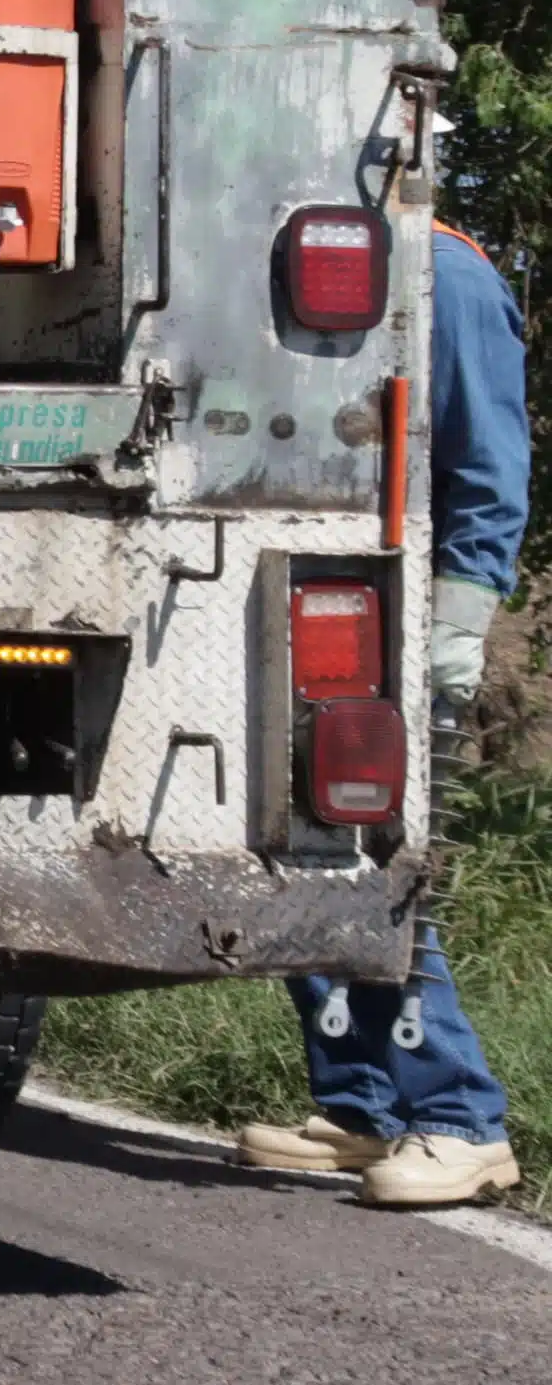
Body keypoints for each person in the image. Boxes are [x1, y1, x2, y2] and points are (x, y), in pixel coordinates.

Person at [236, 214, 529, 1207]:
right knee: (285, 840)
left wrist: (460, 615)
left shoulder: (444, 271)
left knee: (360, 852)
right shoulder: (269, 245)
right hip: (302, 589)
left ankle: (457, 1115)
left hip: (389, 614)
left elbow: (486, 459)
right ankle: (361, 1103)